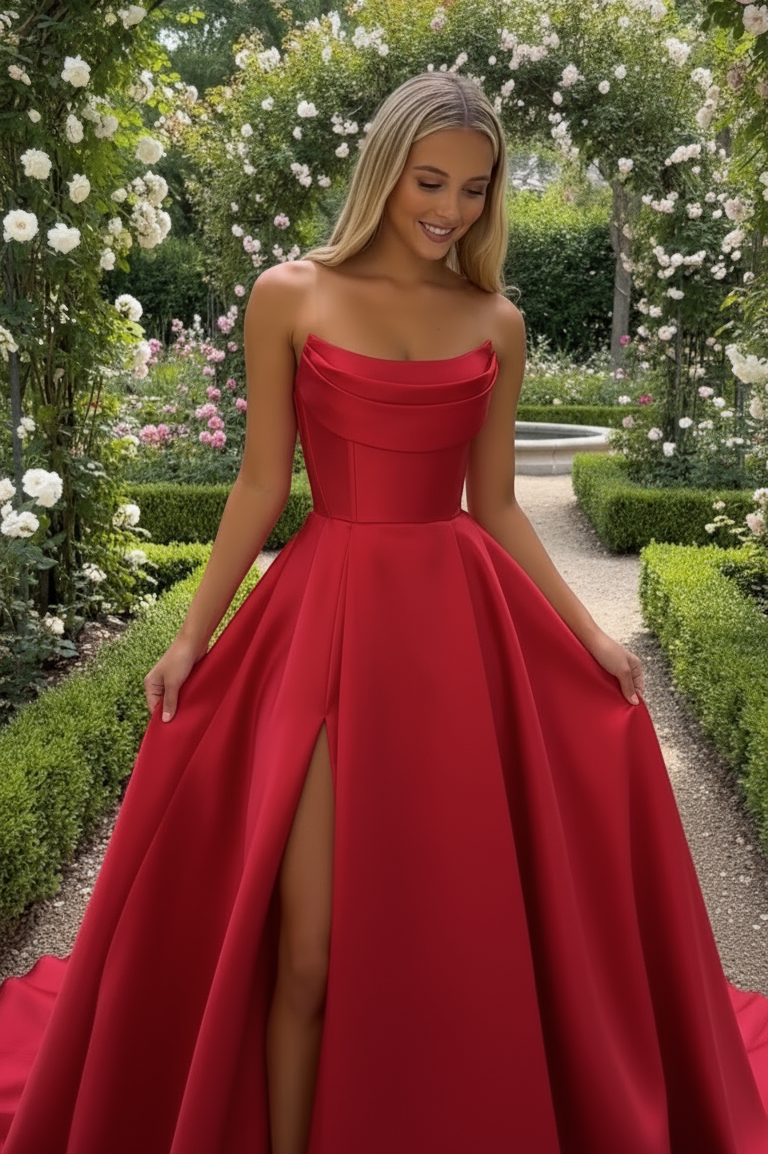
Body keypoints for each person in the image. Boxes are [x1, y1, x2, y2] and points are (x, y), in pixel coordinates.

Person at [1, 71, 768, 1154]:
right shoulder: (292, 293)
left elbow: (494, 501)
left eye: (474, 188)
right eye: (429, 180)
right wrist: (189, 639)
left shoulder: (495, 319)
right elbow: (263, 484)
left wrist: (592, 636)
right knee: (309, 948)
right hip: (325, 619)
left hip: (457, 634)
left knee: (451, 921)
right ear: (384, 169)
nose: (449, 209)